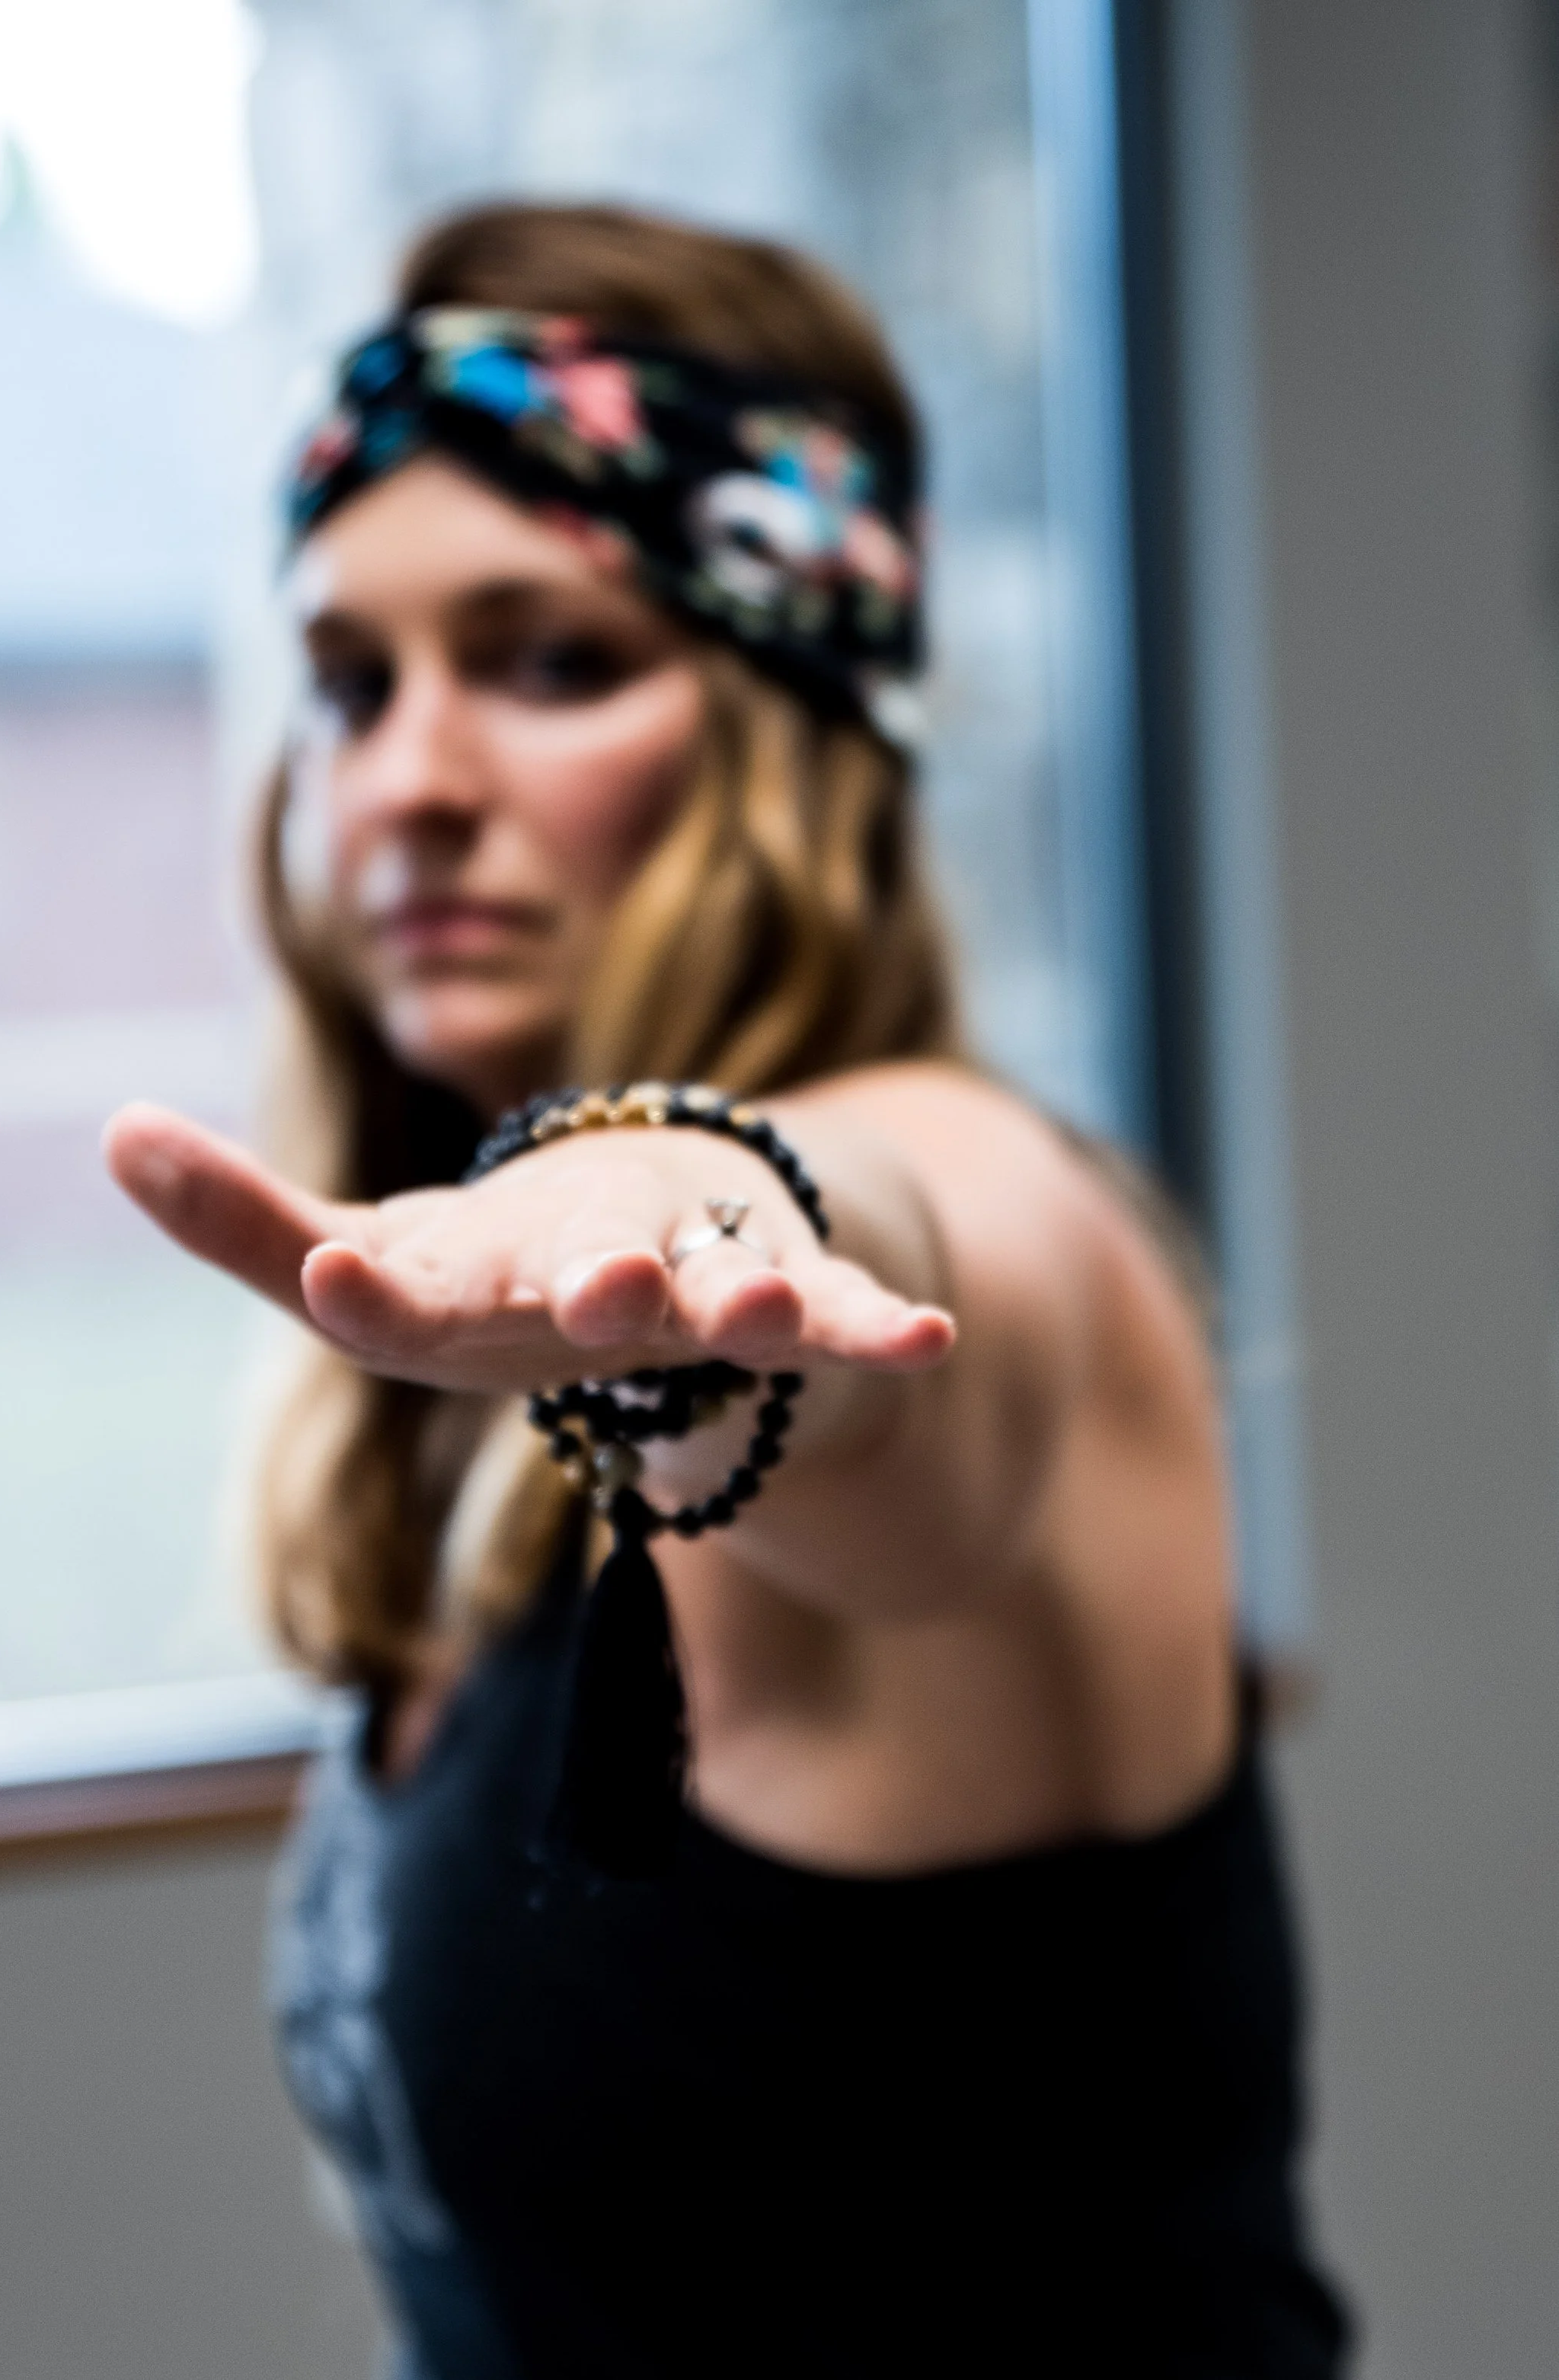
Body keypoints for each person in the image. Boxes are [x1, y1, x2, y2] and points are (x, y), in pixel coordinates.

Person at [104, 202, 1350, 2378]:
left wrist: (705, 1190)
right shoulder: (474, 1365)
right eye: (348, 678)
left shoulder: (967, 1227)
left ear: (790, 720)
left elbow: (900, 1264)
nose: (405, 776)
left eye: (550, 656)